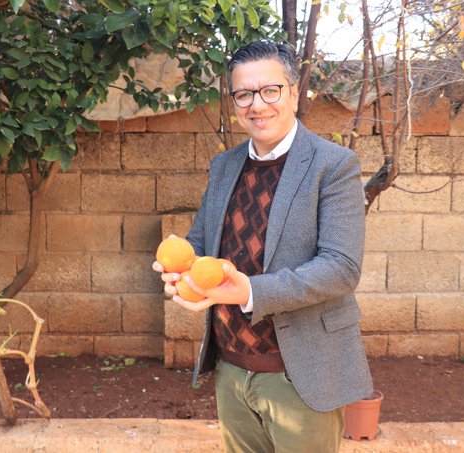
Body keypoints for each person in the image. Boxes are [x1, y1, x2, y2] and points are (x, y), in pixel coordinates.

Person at [152, 40, 372, 453]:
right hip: (232, 368)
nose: (257, 105)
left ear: (294, 93)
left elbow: (341, 267)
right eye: (244, 94)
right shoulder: (224, 166)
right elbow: (201, 243)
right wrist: (179, 267)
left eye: (270, 90)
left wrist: (250, 292)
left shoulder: (333, 165)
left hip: (299, 372)